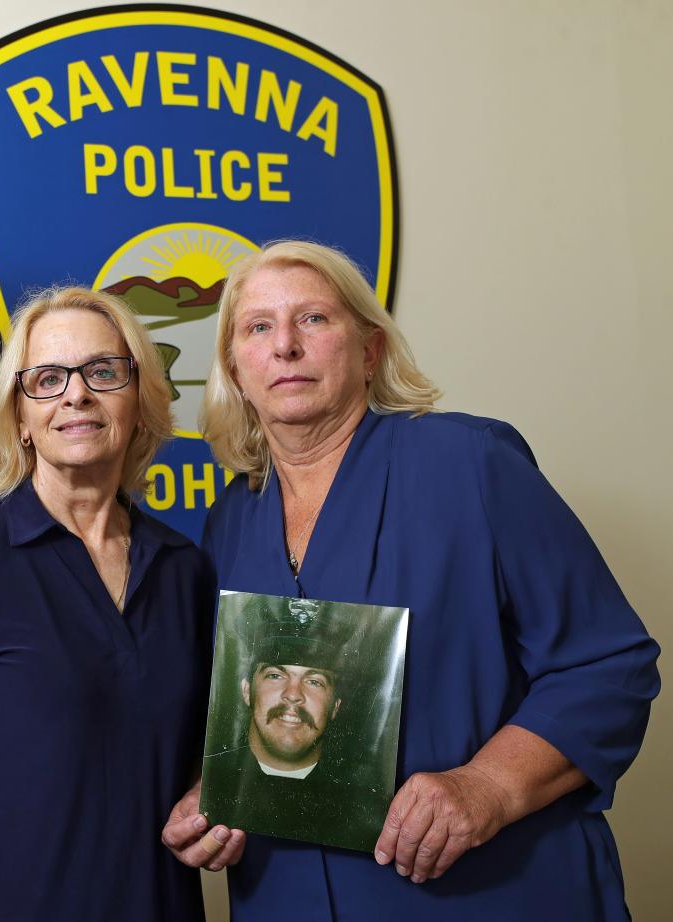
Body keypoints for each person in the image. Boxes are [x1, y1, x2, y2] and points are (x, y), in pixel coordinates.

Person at [161, 240, 660, 919]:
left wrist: (488, 786)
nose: (284, 346)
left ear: (368, 350)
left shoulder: (468, 465)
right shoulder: (229, 523)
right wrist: (213, 794)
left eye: (313, 319)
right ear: (235, 372)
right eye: (257, 327)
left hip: (491, 894)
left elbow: (608, 667)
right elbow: (246, 713)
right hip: (290, 896)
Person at [0, 287, 215, 922]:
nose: (76, 395)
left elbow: (206, 755)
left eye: (103, 371)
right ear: (21, 417)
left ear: (140, 400)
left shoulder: (184, 572)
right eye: (48, 379)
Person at [201, 598, 389, 853]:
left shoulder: (368, 805)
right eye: (276, 675)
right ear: (247, 691)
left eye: (315, 681)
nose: (293, 694)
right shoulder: (209, 791)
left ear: (336, 706)